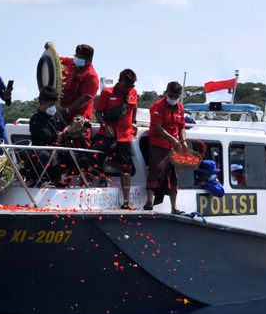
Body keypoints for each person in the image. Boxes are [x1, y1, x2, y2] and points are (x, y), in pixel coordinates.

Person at [96, 68, 139, 209]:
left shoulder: (133, 92)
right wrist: (104, 125)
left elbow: (134, 108)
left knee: (126, 168)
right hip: (107, 133)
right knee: (94, 155)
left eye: (131, 86)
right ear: (120, 81)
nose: (129, 89)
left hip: (125, 136)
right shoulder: (107, 92)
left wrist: (134, 122)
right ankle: (101, 180)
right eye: (126, 85)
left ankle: (126, 201)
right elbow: (98, 112)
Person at [145, 81, 188, 213]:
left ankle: (174, 208)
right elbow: (157, 128)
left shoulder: (180, 107)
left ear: (180, 95)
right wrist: (173, 139)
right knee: (156, 170)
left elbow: (181, 127)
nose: (173, 98)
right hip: (158, 144)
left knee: (173, 175)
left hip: (174, 146)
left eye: (176, 96)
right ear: (166, 92)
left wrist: (183, 141)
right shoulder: (157, 106)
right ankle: (149, 202)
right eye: (171, 95)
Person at [60, 44, 99, 121]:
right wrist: (50, 52)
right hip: (62, 116)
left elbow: (85, 99)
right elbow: (56, 60)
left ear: (89, 60)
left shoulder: (91, 76)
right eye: (76, 56)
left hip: (78, 121)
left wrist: (67, 110)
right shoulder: (72, 62)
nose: (76, 59)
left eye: (80, 58)